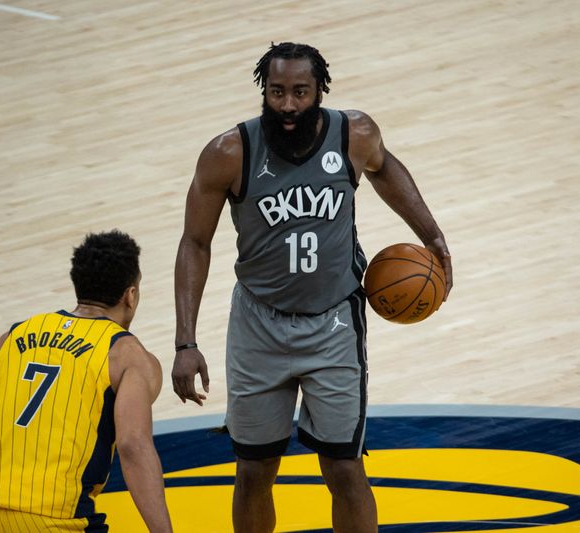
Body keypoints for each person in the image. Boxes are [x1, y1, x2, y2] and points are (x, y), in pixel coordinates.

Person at [172, 42, 452, 532]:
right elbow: (195, 243)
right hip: (258, 326)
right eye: (277, 91)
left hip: (334, 326)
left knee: (345, 468)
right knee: (254, 470)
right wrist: (186, 342)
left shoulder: (354, 133)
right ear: (265, 90)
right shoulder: (228, 153)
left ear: (320, 90)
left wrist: (431, 234)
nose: (287, 105)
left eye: (300, 91)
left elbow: (384, 167)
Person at [0, 231, 173, 532]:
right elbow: (132, 446)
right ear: (130, 295)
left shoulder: (15, 336)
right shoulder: (130, 356)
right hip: (54, 520)